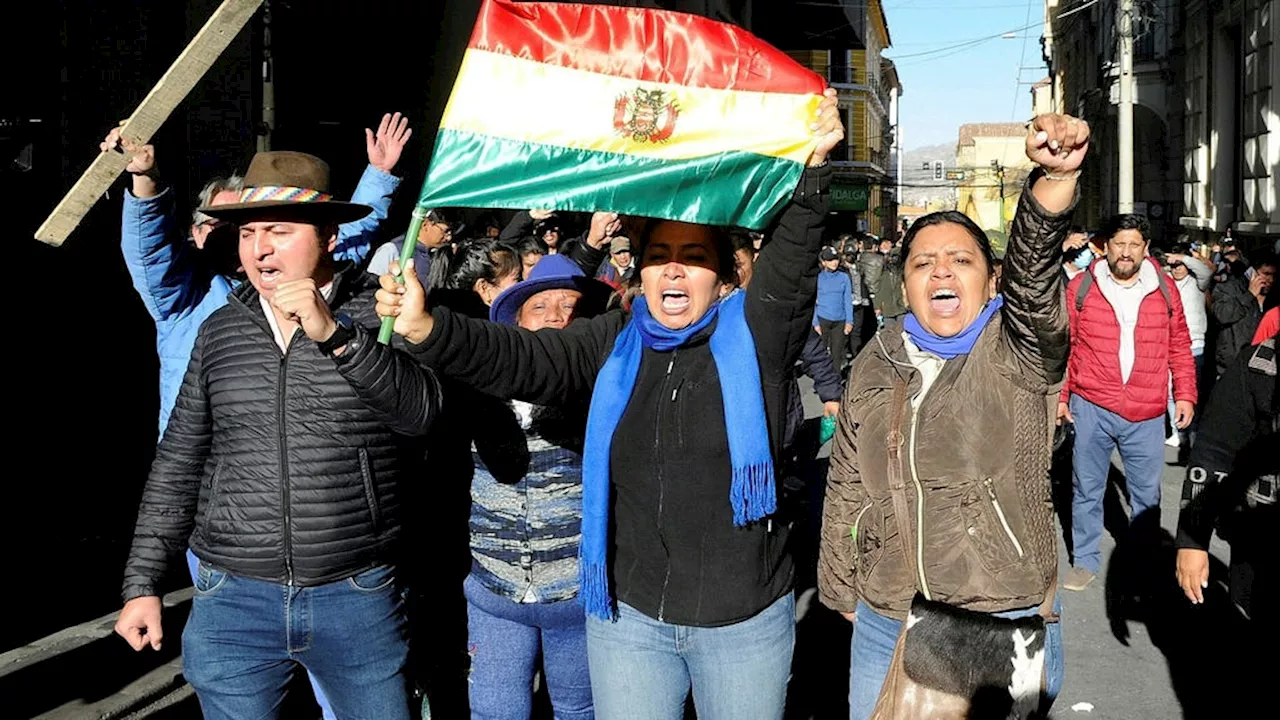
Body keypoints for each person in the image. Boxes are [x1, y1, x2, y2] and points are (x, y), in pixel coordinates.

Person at [376, 89, 845, 720]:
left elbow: (790, 267)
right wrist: (430, 328)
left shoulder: (758, 336)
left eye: (694, 258)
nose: (673, 273)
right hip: (629, 618)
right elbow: (527, 359)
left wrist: (812, 171)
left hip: (740, 622)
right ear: (638, 272)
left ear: (722, 276)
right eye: (658, 258)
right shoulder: (613, 340)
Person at [114, 150, 441, 720]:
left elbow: (421, 415)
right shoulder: (220, 329)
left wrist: (336, 336)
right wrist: (143, 581)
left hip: (355, 594)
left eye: (279, 232)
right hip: (233, 598)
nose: (258, 249)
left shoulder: (381, 314)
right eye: (248, 233)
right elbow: (179, 459)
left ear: (330, 238)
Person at [819, 113, 1089, 718]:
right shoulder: (878, 356)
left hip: (997, 613)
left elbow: (1035, 279)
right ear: (905, 284)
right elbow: (845, 483)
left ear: (990, 279)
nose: (940, 270)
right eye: (922, 263)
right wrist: (839, 583)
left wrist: (1051, 180)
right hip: (886, 615)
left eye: (960, 260)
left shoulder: (1018, 346)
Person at [106, 112, 408, 435]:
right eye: (243, 229)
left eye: (272, 230)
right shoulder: (184, 294)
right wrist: (146, 180)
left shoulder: (298, 279)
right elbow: (150, 251)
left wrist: (378, 174)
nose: (257, 243)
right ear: (194, 233)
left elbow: (341, 238)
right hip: (205, 469)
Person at [463, 254, 612, 720]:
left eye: (571, 307)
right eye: (540, 306)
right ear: (518, 322)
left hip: (577, 596)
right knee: (494, 710)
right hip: (494, 593)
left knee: (579, 708)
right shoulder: (476, 389)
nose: (556, 317)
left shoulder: (604, 396)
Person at [1057, 213, 1198, 592]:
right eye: (1119, 243)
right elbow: (1066, 347)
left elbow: (1180, 346)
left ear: (1145, 248)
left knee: (1146, 495)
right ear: (1106, 246)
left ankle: (1142, 562)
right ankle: (1084, 559)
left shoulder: (1165, 289)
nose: (1126, 252)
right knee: (1086, 488)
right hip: (1092, 405)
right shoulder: (1082, 288)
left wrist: (1184, 394)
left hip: (1147, 411)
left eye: (1134, 244)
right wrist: (1062, 395)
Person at [1163, 242, 1214, 446]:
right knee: (1169, 391)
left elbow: (1205, 270)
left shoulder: (1197, 282)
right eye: (1174, 265)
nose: (1177, 269)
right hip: (1169, 344)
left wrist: (1184, 257)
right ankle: (1178, 432)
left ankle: (1193, 430)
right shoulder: (1165, 282)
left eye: (1181, 264)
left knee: (1191, 391)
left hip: (1195, 344)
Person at [366, 207, 468, 290]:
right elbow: (370, 289)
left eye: (451, 232)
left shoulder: (441, 255)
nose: (449, 237)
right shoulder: (392, 250)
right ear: (425, 225)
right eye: (445, 231)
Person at [1210, 253, 1275, 377]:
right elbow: (1222, 315)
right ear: (1251, 272)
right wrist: (1249, 295)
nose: (1270, 280)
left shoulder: (1274, 297)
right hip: (1232, 366)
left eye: (1274, 275)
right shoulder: (1229, 288)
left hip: (1263, 367)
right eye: (1266, 274)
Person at [813, 245, 854, 369]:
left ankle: (835, 382)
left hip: (840, 320)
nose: (834, 262)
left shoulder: (844, 278)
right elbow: (814, 302)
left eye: (836, 259)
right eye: (830, 260)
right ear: (823, 262)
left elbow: (847, 299)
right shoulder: (818, 278)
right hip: (823, 318)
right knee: (821, 353)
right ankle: (822, 381)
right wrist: (815, 322)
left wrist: (849, 321)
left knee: (837, 354)